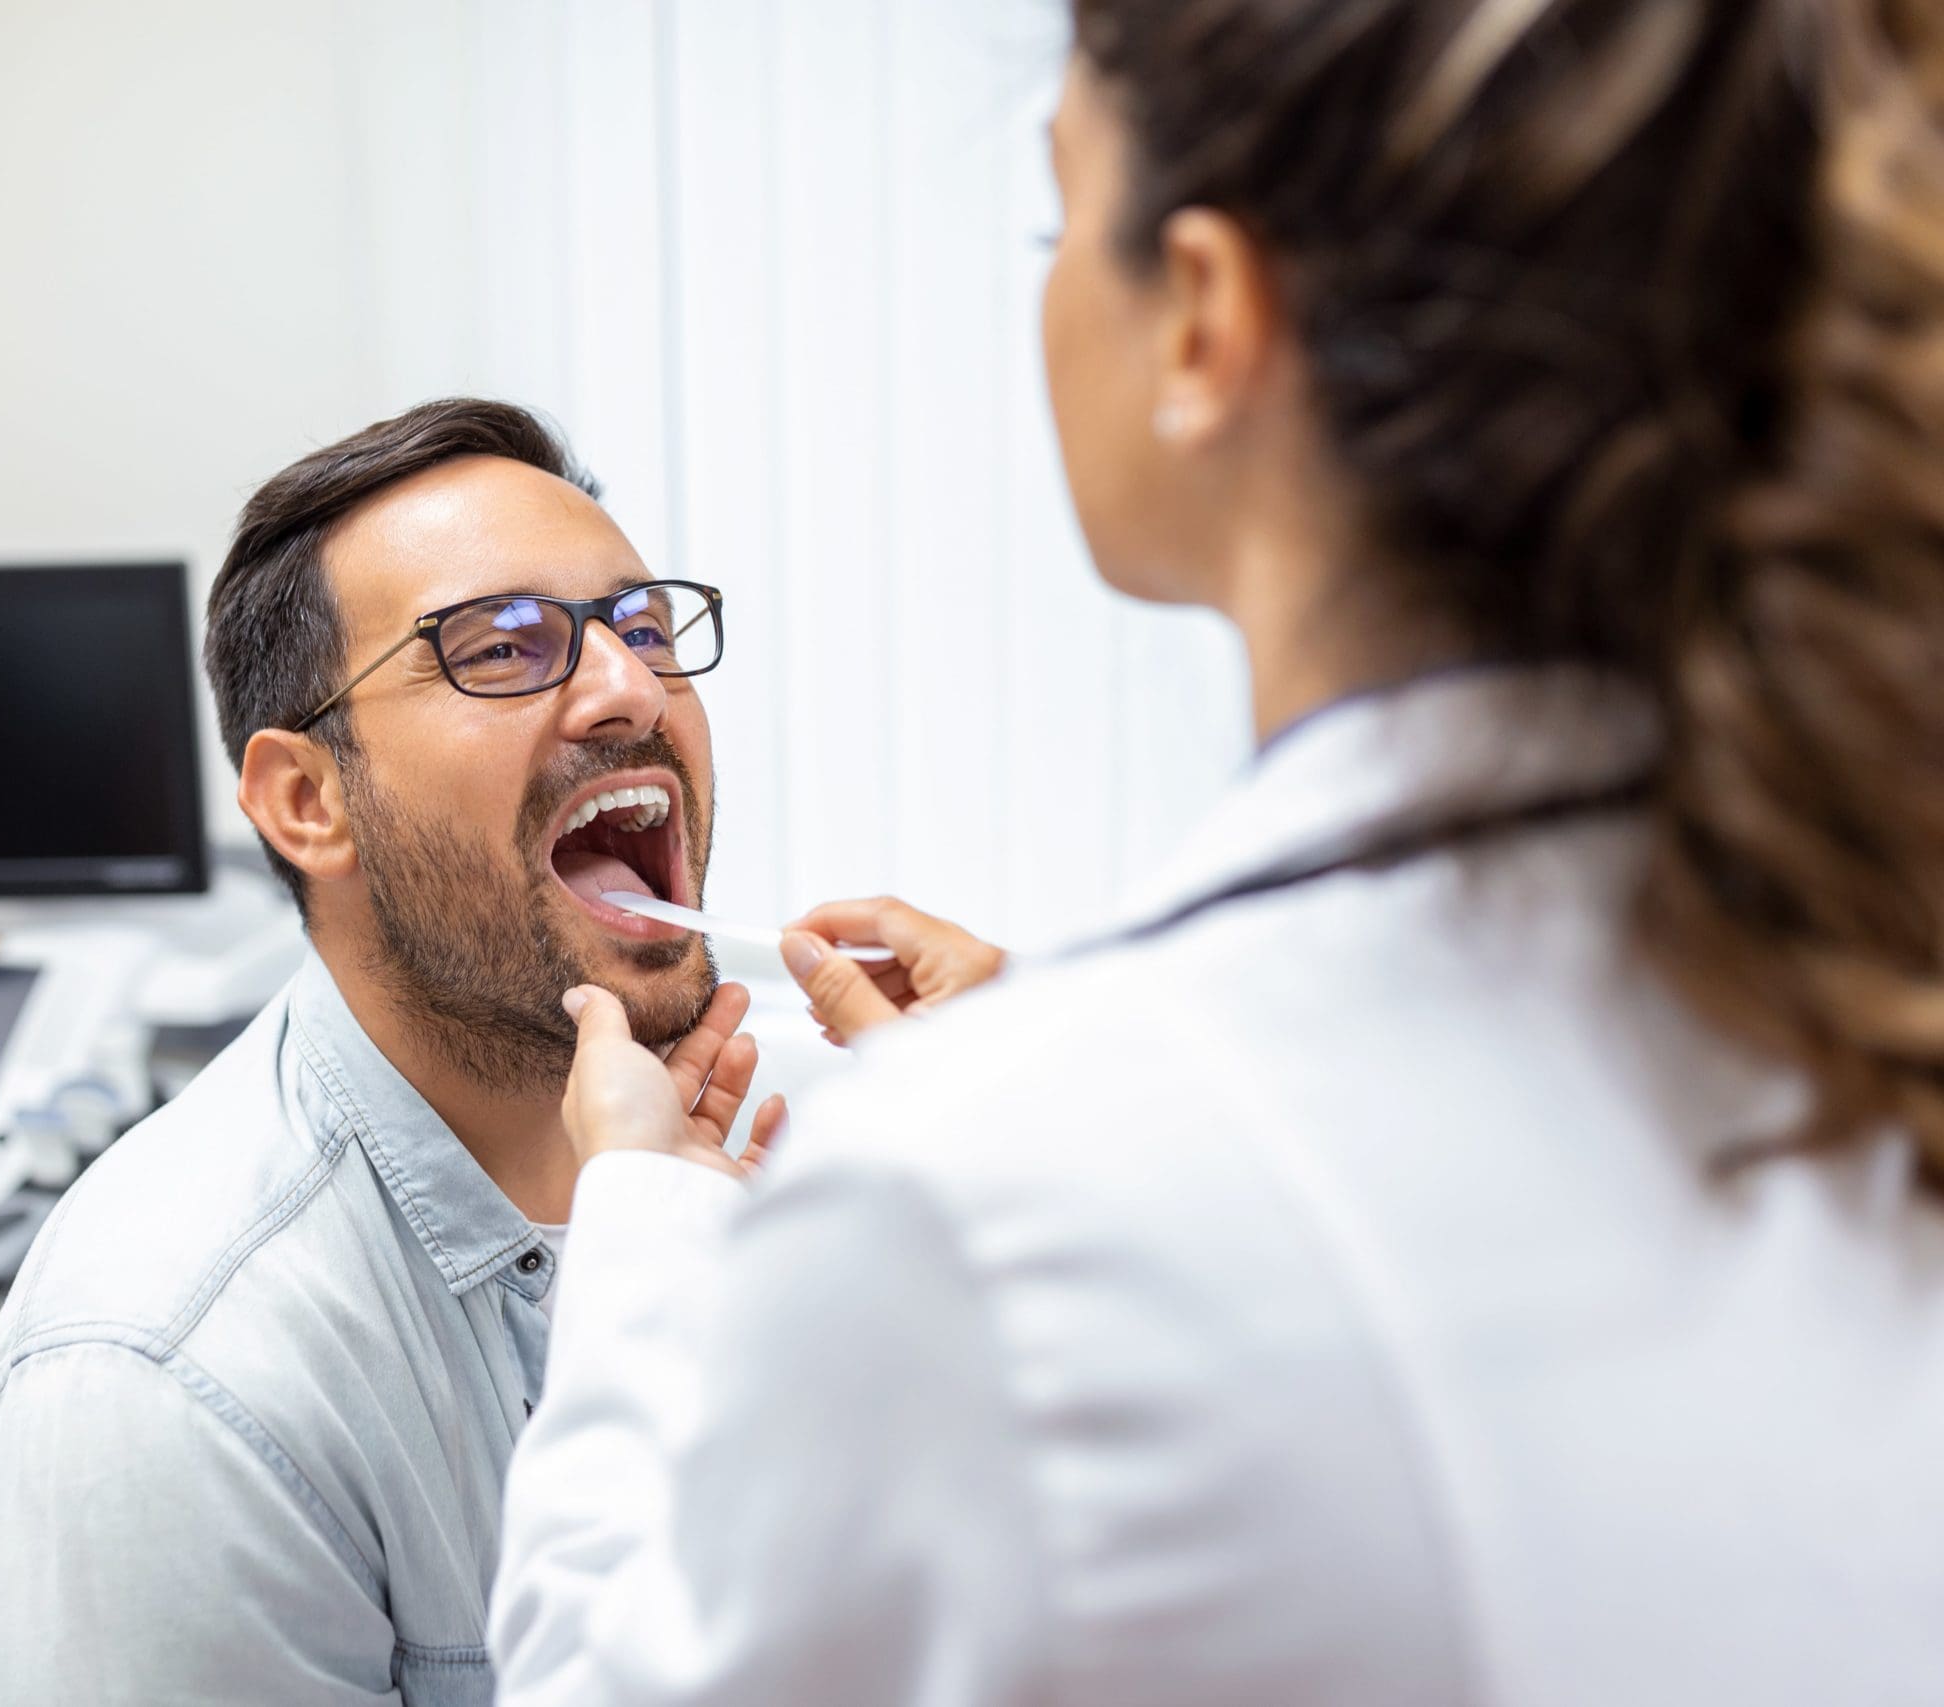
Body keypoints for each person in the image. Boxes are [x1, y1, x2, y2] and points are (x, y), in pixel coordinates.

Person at [492, 2, 1944, 1702]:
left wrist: (647, 1222)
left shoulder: (993, 1209)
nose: (617, 683)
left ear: (1202, 316)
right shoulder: (1852, 972)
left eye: (1055, 225)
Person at [0, 398, 771, 1705]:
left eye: (645, 629)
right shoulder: (162, 1393)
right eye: (501, 648)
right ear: (308, 801)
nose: (631, 689)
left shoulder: (722, 1178)